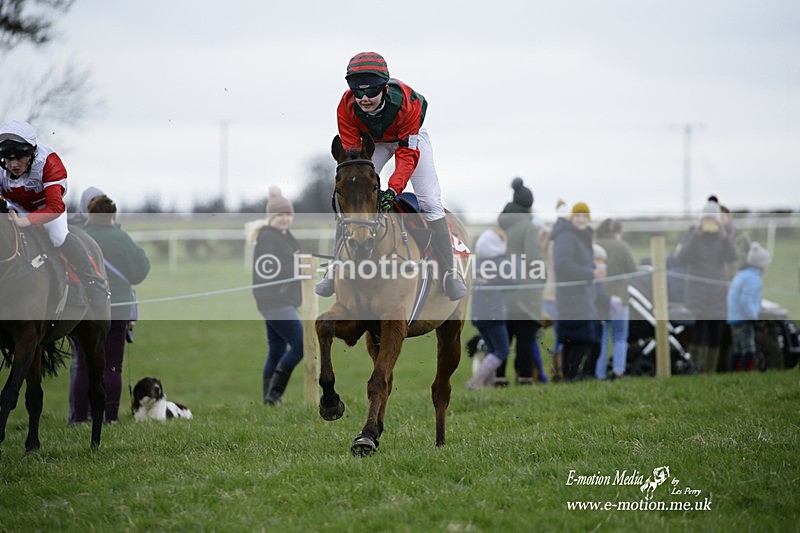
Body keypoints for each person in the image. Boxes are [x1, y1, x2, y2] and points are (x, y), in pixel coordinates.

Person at [315, 51, 467, 301]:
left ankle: (450, 273)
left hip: (409, 140)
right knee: (355, 192)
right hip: (374, 141)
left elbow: (407, 155)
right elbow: (353, 155)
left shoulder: (409, 104)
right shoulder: (345, 107)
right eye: (358, 91)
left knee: (429, 200)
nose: (364, 98)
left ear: (384, 88)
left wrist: (393, 190)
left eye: (370, 92)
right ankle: (335, 267)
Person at [0, 120, 110, 304]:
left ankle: (93, 281)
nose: (13, 165)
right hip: (14, 207)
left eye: (19, 157)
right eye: (9, 159)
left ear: (31, 154)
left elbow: (56, 207)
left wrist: (24, 221)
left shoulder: (49, 163)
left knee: (58, 236)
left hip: (47, 209)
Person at [70, 194, 151, 424]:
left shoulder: (80, 238)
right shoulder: (122, 238)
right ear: (112, 216)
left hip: (84, 307)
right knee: (112, 365)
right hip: (117, 308)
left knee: (84, 365)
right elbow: (141, 269)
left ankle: (79, 418)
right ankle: (110, 417)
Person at [247, 186, 303, 405]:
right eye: (280, 215)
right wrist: (298, 266)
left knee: (277, 348)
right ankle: (274, 395)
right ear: (271, 217)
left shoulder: (282, 236)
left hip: (274, 301)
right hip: (275, 301)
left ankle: (268, 400)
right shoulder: (269, 238)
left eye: (288, 214)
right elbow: (271, 269)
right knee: (302, 344)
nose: (285, 219)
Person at [676, 200, 738, 373]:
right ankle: (697, 367)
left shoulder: (722, 236)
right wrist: (697, 235)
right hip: (697, 291)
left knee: (716, 330)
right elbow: (682, 257)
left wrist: (724, 236)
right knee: (699, 329)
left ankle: (711, 369)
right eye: (706, 218)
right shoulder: (693, 234)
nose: (709, 221)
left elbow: (731, 256)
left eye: (713, 218)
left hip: (717, 291)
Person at [495, 177, 545, 385]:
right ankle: (524, 377)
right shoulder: (528, 227)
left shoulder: (502, 223)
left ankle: (498, 378)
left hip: (502, 290)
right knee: (525, 338)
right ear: (529, 205)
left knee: (503, 338)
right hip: (524, 292)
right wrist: (542, 278)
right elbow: (534, 259)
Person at [551, 202, 604, 381]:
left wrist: (593, 268)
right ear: (572, 218)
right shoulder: (567, 236)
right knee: (580, 339)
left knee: (578, 339)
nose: (582, 219)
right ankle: (571, 375)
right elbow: (563, 265)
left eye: (585, 216)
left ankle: (572, 375)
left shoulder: (582, 236)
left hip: (583, 295)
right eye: (578, 216)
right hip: (572, 297)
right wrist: (589, 273)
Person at [466, 228, 514, 389]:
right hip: (494, 314)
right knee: (502, 350)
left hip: (477, 314)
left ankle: (487, 383)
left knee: (491, 349)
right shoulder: (500, 263)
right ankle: (476, 381)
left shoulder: (477, 262)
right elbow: (514, 282)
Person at [594, 218, 638, 380]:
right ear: (618, 231)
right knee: (620, 337)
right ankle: (618, 371)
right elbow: (633, 270)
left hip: (599, 299)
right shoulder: (622, 246)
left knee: (602, 338)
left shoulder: (596, 245)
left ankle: (599, 373)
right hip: (620, 298)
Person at [727, 242, 771, 372]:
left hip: (734, 317)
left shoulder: (742, 274)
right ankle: (748, 371)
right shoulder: (753, 278)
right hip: (743, 318)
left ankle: (736, 372)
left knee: (738, 347)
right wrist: (754, 317)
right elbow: (746, 301)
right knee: (748, 347)